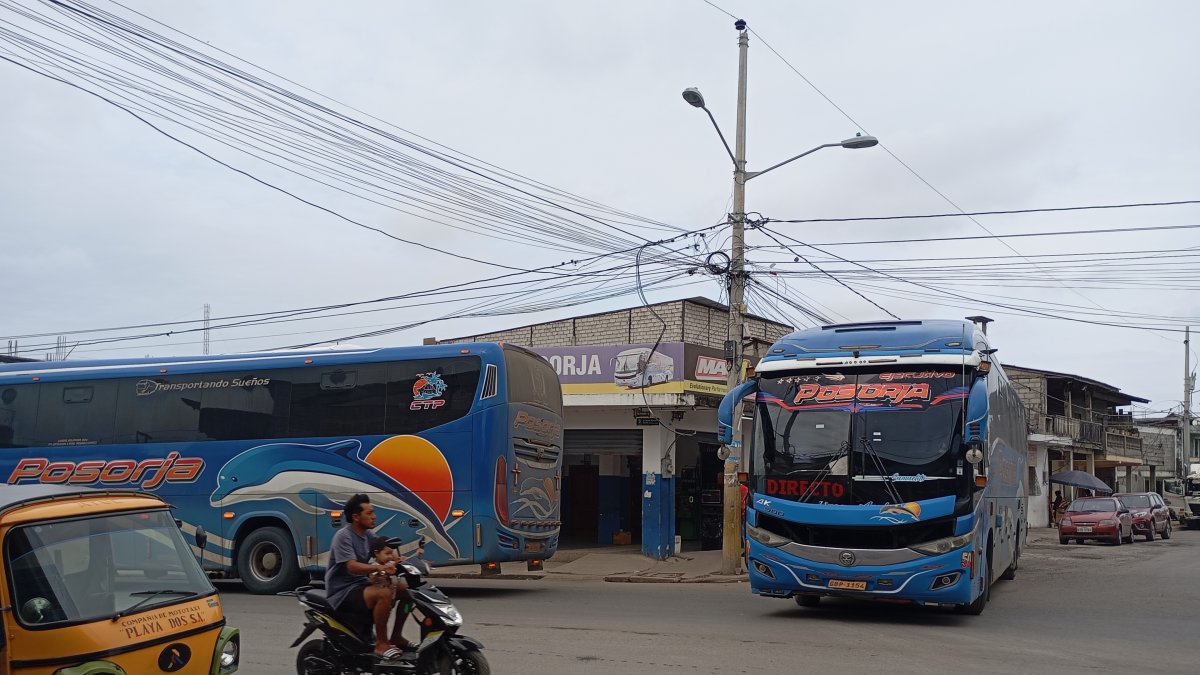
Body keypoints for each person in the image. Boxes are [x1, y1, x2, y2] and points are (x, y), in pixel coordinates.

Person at [324, 494, 410, 661]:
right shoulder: (343, 536)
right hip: (342, 590)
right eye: (369, 513)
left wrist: (396, 559)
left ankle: (396, 637)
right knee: (384, 593)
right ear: (356, 517)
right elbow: (352, 566)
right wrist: (380, 567)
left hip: (360, 584)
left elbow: (383, 551)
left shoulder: (369, 535)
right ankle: (381, 644)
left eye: (373, 512)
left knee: (406, 590)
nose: (374, 516)